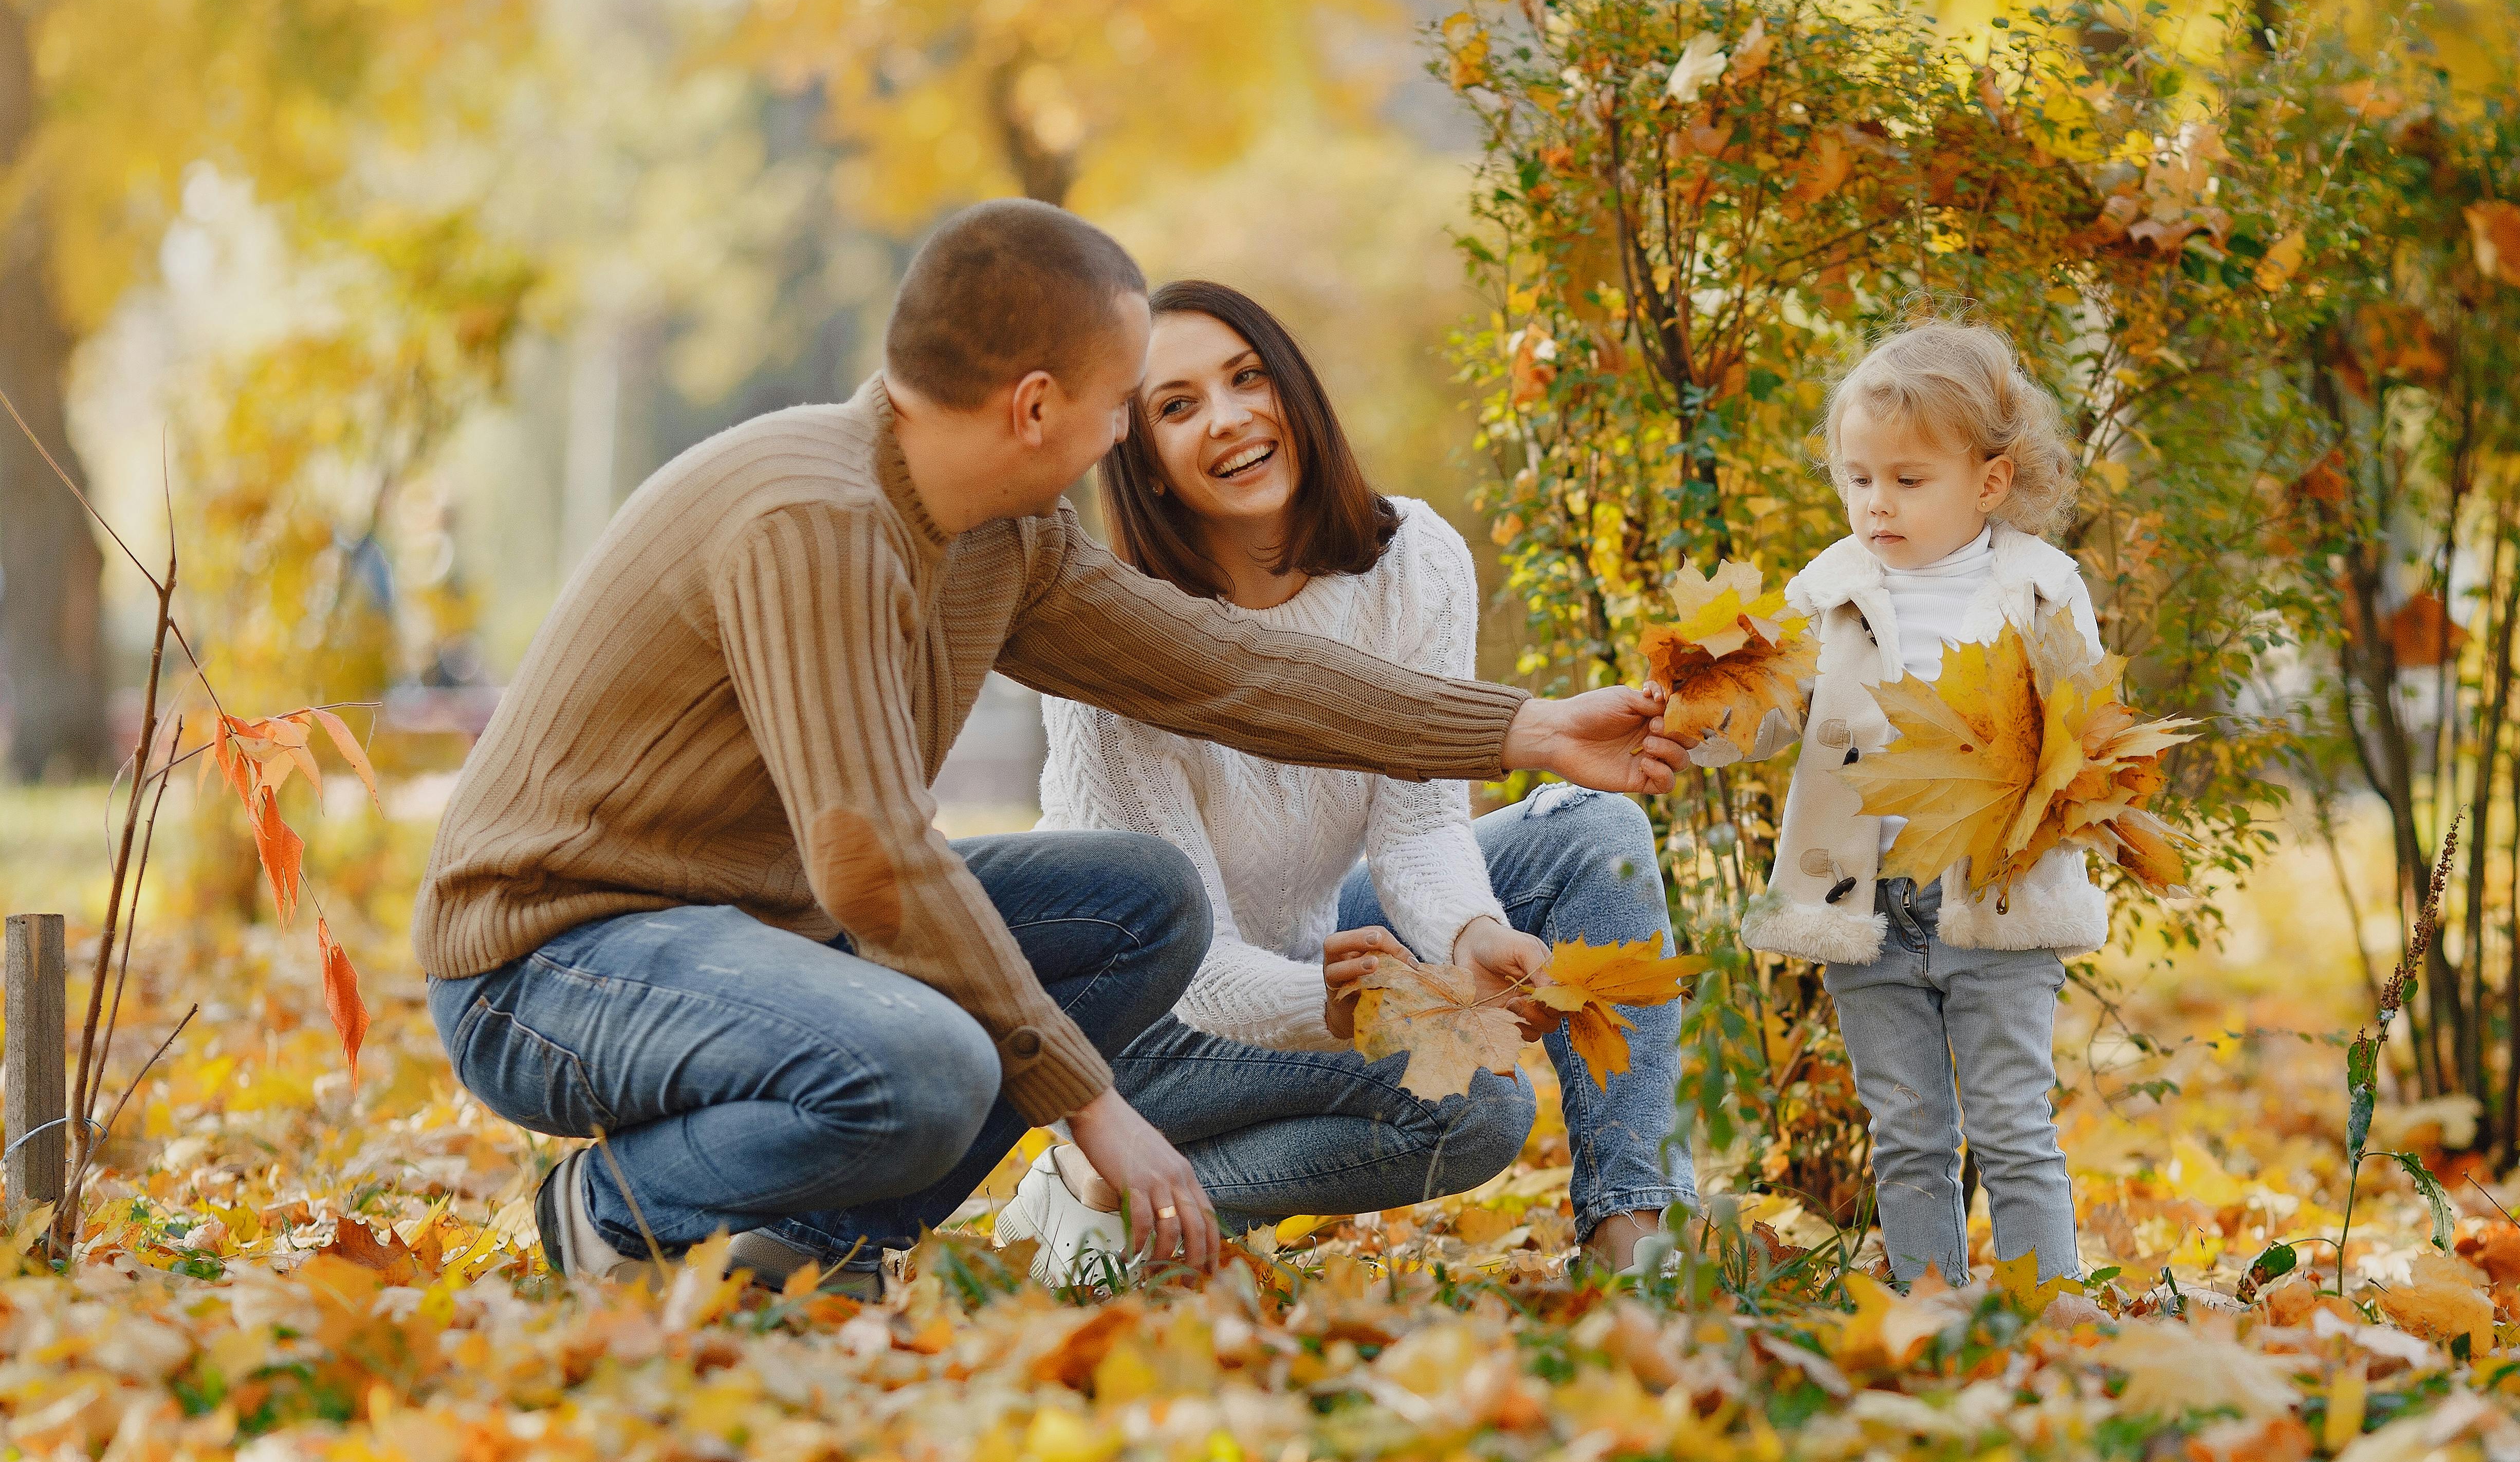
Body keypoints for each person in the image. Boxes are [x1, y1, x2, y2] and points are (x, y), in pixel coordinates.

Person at [414, 202, 1688, 1300]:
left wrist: (1522, 729)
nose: (1134, 437)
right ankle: (616, 1211)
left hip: (756, 938)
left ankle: (821, 1246)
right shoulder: (815, 520)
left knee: (1141, 904)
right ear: (1037, 408)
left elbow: (1231, 671)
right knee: (930, 1063)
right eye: (1132, 401)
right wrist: (1094, 1108)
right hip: (555, 963)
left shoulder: (1004, 536)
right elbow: (873, 863)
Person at [1005, 281, 1697, 1285]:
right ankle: (1107, 1189)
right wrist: (1361, 1010)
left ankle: (1635, 1241)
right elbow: (1195, 971)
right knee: (1478, 1106)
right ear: (1140, 459)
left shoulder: (1412, 560)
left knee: (1593, 829)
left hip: (1317, 945)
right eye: (1179, 404)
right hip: (1132, 1026)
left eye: (1248, 379)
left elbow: (1417, 827)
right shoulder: (1114, 648)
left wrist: (1473, 937)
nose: (1232, 418)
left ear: (1293, 388)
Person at [1697, 318, 2095, 1289]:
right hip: (1866, 910)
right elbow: (1779, 711)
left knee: (2011, 1123)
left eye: (1909, 481)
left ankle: (2049, 1313)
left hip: (1995, 903)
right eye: (1858, 477)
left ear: (1989, 483)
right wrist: (1707, 715)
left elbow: (2087, 738)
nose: (1878, 504)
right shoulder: (1829, 588)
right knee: (1908, 1127)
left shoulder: (2042, 589)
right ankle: (1928, 1310)